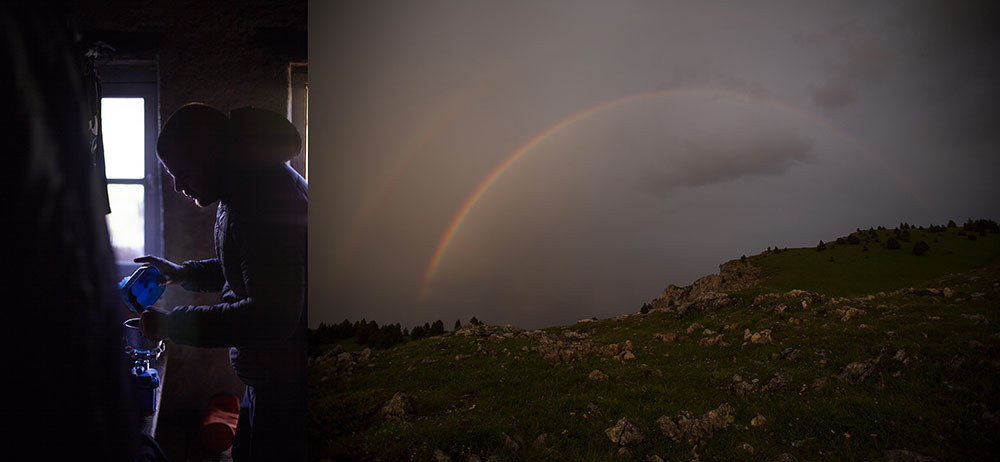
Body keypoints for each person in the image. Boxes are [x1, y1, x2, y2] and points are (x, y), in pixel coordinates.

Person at [136, 103, 308, 461]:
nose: (178, 185)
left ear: (210, 152)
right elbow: (250, 268)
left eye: (181, 171)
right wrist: (183, 273)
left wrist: (172, 324)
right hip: (272, 375)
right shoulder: (244, 185)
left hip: (289, 388)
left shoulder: (262, 200)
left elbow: (271, 315)